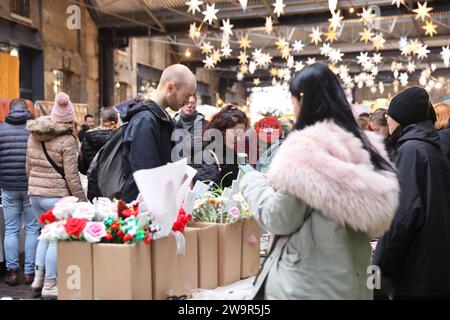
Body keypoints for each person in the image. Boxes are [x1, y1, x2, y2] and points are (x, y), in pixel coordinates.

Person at [239, 63, 399, 300]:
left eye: (292, 100)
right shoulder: (365, 150)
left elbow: (278, 217)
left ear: (302, 99)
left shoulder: (308, 151)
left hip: (307, 287)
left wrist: (251, 181)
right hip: (351, 286)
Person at [373, 87, 450, 300]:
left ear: (401, 116)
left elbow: (402, 217)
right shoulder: (430, 146)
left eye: (390, 115)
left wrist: (379, 267)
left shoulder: (412, 150)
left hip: (416, 272)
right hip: (434, 266)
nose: (387, 120)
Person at [26, 92, 87, 299]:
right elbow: (72, 176)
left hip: (35, 194)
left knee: (44, 234)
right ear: (70, 117)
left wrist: (36, 186)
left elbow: (28, 168)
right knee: (55, 240)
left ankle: (38, 279)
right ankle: (50, 285)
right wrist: (81, 199)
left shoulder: (33, 135)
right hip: (56, 196)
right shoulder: (68, 140)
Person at [120, 64, 197, 202]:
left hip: (157, 205)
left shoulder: (159, 118)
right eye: (187, 95)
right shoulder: (146, 120)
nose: (188, 102)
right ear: (171, 87)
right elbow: (147, 174)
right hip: (145, 209)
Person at [0, 99, 40, 286]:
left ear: (9, 110)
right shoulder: (34, 130)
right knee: (32, 228)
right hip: (31, 186)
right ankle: (30, 273)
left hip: (8, 186)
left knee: (11, 229)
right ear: (26, 110)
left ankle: (13, 272)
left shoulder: (1, 130)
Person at [191, 104, 250, 189]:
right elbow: (206, 195)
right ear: (222, 130)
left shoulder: (229, 151)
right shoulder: (205, 155)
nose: (239, 138)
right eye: (236, 134)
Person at [79, 107, 119, 201]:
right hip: (115, 184)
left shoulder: (88, 136)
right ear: (115, 121)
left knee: (97, 213)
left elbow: (82, 165)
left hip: (94, 184)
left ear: (101, 120)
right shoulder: (120, 137)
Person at [173, 95, 209, 163]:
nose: (189, 106)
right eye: (186, 102)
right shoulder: (173, 122)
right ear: (181, 104)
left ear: (196, 105)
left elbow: (202, 143)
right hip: (176, 164)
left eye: (192, 103)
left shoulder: (204, 124)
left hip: (197, 166)